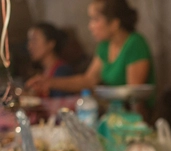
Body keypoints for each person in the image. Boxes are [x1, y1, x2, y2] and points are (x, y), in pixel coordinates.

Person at [26, 0, 155, 116]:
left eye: (96, 19)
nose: (90, 26)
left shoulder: (135, 44)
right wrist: (49, 82)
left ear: (115, 23)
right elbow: (89, 80)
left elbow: (134, 95)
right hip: (115, 114)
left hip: (134, 116)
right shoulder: (105, 46)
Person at [27, 22, 74, 97]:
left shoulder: (62, 71)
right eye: (29, 41)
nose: (30, 46)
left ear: (50, 44)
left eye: (34, 40)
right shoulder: (44, 72)